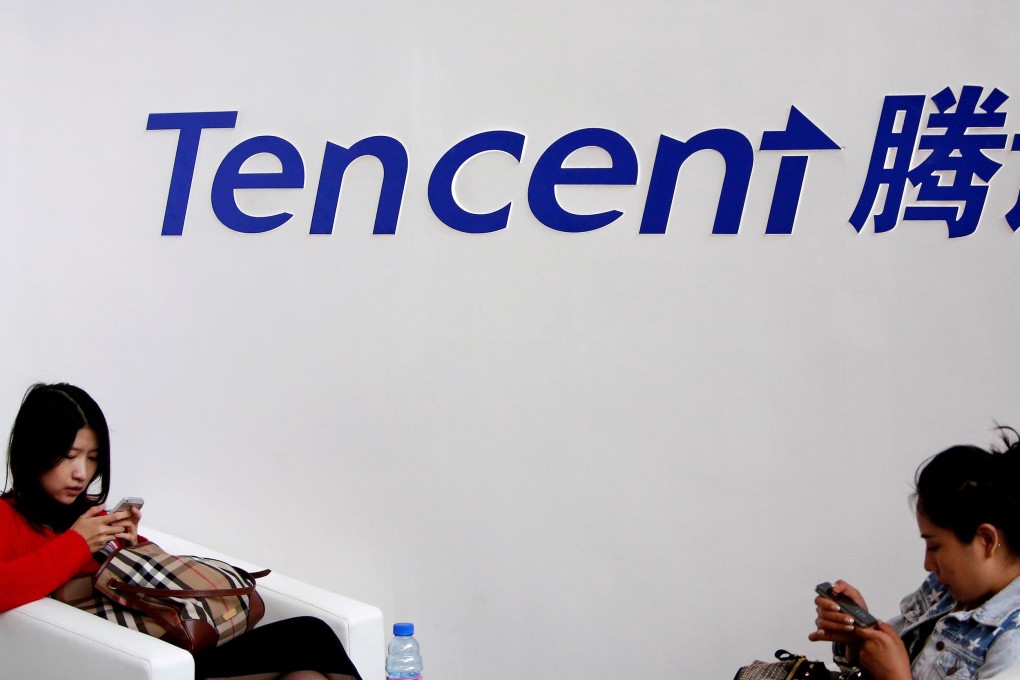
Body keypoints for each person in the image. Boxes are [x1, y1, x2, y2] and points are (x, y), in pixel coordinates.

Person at [0, 382, 362, 680]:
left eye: (92, 457)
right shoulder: (8, 516)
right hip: (141, 664)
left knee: (308, 670)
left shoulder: (89, 515)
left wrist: (131, 548)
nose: (82, 472)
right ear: (34, 451)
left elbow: (163, 588)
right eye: (69, 455)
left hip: (177, 648)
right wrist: (78, 543)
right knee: (307, 638)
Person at [810, 428, 1020, 680]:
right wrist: (859, 639)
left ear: (986, 540)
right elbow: (877, 665)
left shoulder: (1013, 644)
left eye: (934, 547)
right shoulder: (943, 591)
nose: (928, 565)